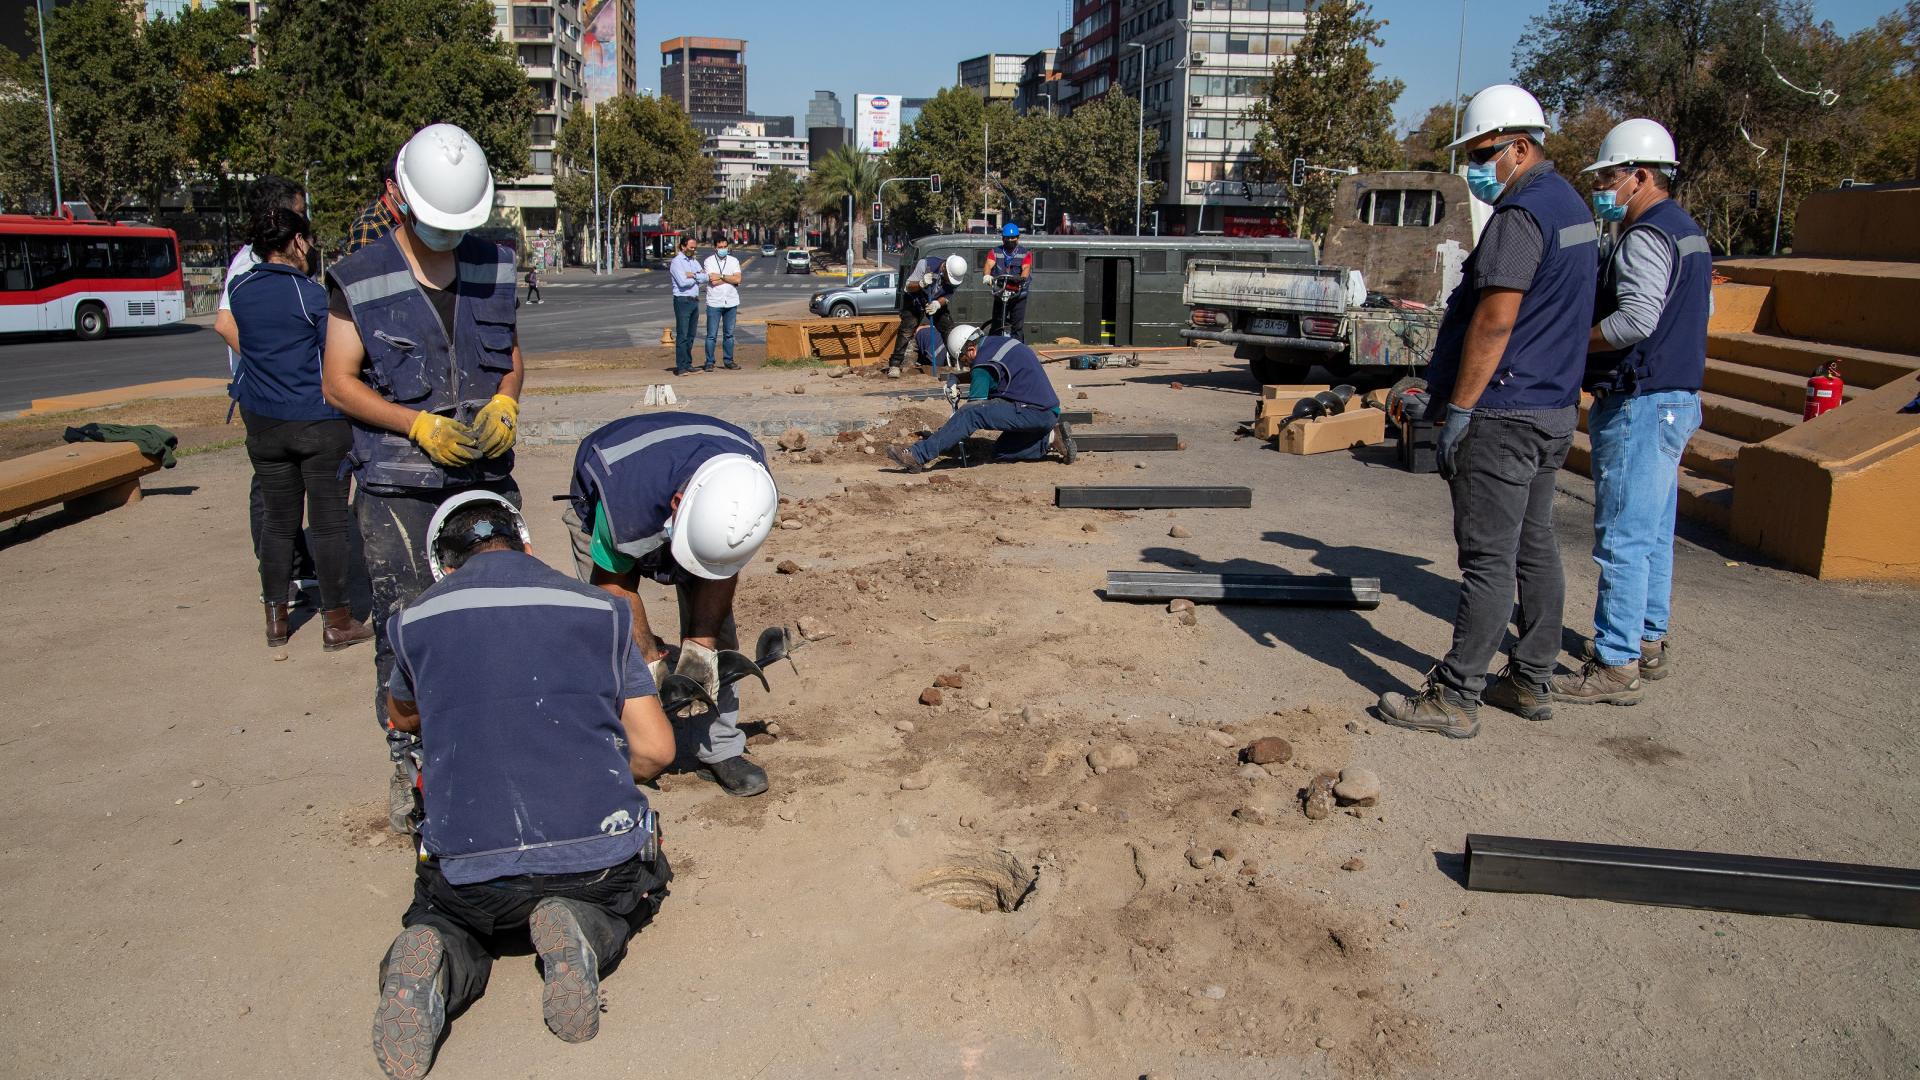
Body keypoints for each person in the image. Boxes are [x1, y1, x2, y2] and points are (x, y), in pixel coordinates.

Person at [370, 492, 674, 1080]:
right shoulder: (604, 611)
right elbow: (657, 750)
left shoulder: (411, 623)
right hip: (593, 857)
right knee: (635, 882)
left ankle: (435, 955)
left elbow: (402, 718)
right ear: (527, 546)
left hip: (470, 866)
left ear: (444, 569)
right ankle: (582, 924)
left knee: (448, 918)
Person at [1376, 84, 1600, 738]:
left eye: (1482, 153)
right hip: (1553, 407)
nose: (1476, 167)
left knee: (1487, 558)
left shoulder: (1520, 216)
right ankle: (1530, 679)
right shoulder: (1572, 207)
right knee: (1535, 546)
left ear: (1519, 146)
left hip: (1504, 411)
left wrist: (1462, 410)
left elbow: (1496, 319)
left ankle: (1457, 695)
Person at [321, 124, 523, 833]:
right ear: (396, 200)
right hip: (399, 485)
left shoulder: (494, 264)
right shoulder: (361, 276)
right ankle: (413, 771)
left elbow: (510, 358)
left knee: (502, 617)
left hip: (485, 475)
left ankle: (495, 760)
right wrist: (415, 425)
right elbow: (339, 384)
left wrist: (506, 399)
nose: (448, 238)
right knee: (408, 632)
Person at [1550, 119, 1710, 707]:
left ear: (1641, 176)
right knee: (1651, 531)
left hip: (1643, 399)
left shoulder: (1646, 235)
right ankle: (1647, 639)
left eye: (1610, 176)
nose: (1603, 187)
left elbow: (1637, 320)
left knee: (1621, 535)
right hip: (1676, 398)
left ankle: (1615, 663)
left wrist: (1575, 339)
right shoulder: (1687, 231)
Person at [563, 413, 780, 798]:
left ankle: (720, 746)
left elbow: (723, 567)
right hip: (614, 496)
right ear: (677, 504)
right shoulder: (623, 503)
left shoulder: (748, 491)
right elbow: (615, 582)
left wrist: (701, 648)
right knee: (614, 638)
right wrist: (648, 659)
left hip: (686, 496)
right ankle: (627, 745)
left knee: (717, 636)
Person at [228, 206, 374, 652]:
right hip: (316, 420)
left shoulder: (239, 288)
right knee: (329, 523)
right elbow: (337, 353)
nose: (309, 248)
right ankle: (337, 621)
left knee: (277, 520)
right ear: (295, 242)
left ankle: (276, 619)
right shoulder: (309, 295)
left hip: (262, 420)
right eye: (306, 240)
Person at [213, 175, 317, 608]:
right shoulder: (249, 262)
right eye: (301, 207)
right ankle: (281, 578)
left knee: (285, 486)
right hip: (269, 394)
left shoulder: (264, 257)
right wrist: (270, 360)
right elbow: (225, 323)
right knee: (272, 490)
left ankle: (295, 567)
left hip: (274, 391)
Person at [886, 324, 1076, 472]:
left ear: (970, 350)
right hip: (1044, 411)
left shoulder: (983, 364)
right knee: (1000, 452)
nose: (967, 365)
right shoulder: (995, 345)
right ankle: (1051, 438)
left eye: (964, 361)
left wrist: (948, 429)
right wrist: (957, 378)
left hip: (1033, 412)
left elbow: (972, 411)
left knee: (971, 414)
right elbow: (994, 374)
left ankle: (918, 456)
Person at [887, 253, 968, 378]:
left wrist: (937, 304)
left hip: (935, 301)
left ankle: (956, 362)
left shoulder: (956, 277)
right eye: (948, 277)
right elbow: (908, 287)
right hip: (915, 299)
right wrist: (920, 283)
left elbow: (947, 297)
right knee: (907, 330)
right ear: (945, 268)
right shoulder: (925, 265)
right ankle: (895, 365)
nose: (949, 281)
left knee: (949, 329)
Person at [983, 223, 1033, 341]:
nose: (1010, 240)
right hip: (1001, 294)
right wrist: (987, 275)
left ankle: (1017, 349)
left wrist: (1022, 278)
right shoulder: (995, 252)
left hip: (1018, 295)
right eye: (1008, 238)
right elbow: (988, 264)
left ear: (1018, 238)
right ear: (1003, 238)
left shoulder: (1025, 253)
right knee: (997, 325)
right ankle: (993, 347)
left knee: (1017, 326)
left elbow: (1026, 268)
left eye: (1013, 237)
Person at [348, 157, 406, 254]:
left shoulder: (411, 220)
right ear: (390, 186)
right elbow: (361, 268)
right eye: (407, 192)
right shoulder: (368, 228)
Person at [702, 237, 743, 370]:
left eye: (725, 246)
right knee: (711, 334)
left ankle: (728, 360)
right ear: (715, 247)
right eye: (720, 247)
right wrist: (729, 278)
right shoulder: (709, 261)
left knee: (729, 334)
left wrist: (720, 276)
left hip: (731, 301)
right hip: (714, 301)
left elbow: (738, 279)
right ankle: (709, 361)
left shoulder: (734, 261)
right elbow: (712, 281)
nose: (723, 249)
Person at [668, 236, 707, 376]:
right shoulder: (676, 262)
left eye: (695, 247)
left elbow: (705, 277)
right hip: (682, 300)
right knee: (682, 334)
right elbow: (682, 282)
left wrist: (693, 275)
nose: (693, 250)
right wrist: (697, 277)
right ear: (683, 247)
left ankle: (688, 363)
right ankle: (681, 366)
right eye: (691, 247)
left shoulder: (694, 261)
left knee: (691, 334)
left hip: (694, 300)